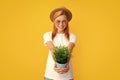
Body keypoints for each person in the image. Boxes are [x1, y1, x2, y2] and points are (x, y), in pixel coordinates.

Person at [43, 6, 76, 80]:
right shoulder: (47, 35)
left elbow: (69, 50)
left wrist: (66, 65)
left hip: (67, 76)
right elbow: (52, 49)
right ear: (54, 21)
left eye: (64, 21)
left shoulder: (72, 36)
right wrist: (56, 64)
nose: (61, 24)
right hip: (50, 75)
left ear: (67, 22)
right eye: (58, 21)